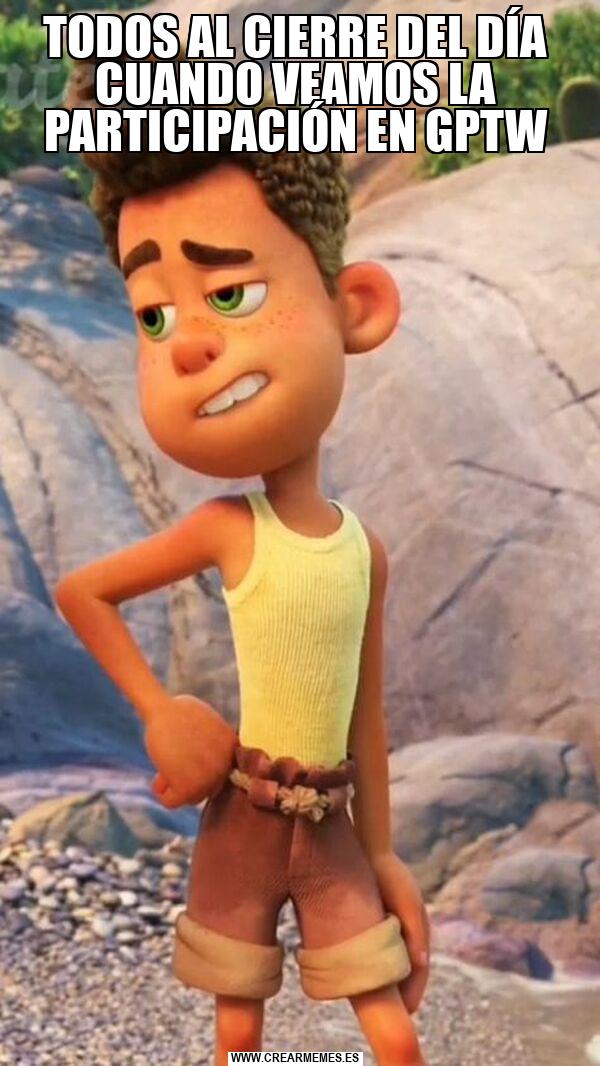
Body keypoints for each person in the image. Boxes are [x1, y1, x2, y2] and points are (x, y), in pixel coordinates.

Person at [56, 73, 430, 1065]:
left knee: (392, 1040)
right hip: (243, 822)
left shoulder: (361, 550)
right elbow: (84, 591)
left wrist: (385, 854)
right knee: (238, 1038)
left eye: (230, 294)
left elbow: (365, 717)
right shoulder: (228, 528)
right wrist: (158, 710)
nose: (187, 345)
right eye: (153, 315)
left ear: (356, 307)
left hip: (334, 827)